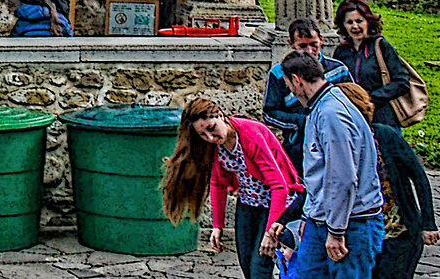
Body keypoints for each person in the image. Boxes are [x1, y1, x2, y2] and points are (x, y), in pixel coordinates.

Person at [159, 97, 301, 279]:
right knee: (246, 263)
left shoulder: (251, 135)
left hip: (273, 204)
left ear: (220, 114)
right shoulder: (215, 146)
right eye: (203, 135)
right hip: (248, 203)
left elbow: (279, 187)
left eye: (211, 128)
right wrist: (217, 226)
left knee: (260, 265)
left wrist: (271, 232)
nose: (211, 138)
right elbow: (218, 184)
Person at [285, 50, 386, 279]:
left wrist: (336, 231)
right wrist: (309, 216)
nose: (290, 92)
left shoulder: (332, 113)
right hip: (321, 221)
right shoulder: (319, 107)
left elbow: (342, 178)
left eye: (289, 85)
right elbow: (318, 175)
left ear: (297, 80)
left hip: (352, 223)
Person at [334, 84, 438, 279]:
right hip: (360, 236)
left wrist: (428, 223)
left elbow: (418, 177)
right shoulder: (336, 143)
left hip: (399, 232)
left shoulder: (385, 135)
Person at [264, 20, 352, 168]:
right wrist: (302, 122)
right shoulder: (278, 74)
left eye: (314, 45)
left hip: (336, 140)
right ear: (291, 44)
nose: (310, 51)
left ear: (321, 40)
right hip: (298, 146)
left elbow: (354, 102)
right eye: (303, 46)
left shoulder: (339, 69)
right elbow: (270, 113)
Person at [333, 0, 415, 129]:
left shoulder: (381, 46)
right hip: (352, 118)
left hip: (383, 119)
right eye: (349, 22)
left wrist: (370, 98)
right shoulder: (341, 52)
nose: (355, 26)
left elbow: (402, 82)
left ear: (368, 22)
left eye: (359, 21)